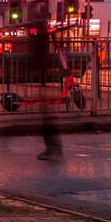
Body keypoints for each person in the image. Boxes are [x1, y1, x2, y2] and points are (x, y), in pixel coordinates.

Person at [34, 15, 63, 161]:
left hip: (42, 78)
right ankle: (54, 146)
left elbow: (37, 55)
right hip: (46, 78)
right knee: (46, 115)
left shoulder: (38, 34)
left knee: (46, 115)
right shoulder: (43, 33)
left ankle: (53, 147)